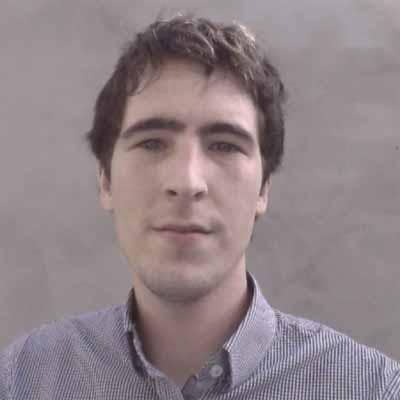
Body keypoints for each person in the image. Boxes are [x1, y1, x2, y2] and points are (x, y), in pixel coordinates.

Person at [1, 14, 399, 400]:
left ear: (263, 188)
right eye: (152, 143)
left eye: (224, 145)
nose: (187, 182)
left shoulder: (371, 389)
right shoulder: (22, 381)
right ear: (106, 179)